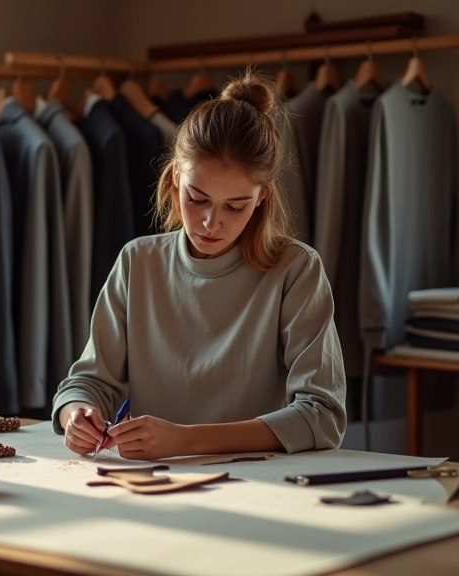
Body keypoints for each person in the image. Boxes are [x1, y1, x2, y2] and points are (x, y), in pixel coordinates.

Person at [52, 71, 347, 460]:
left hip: (262, 491)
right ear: (175, 177)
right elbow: (87, 382)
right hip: (149, 488)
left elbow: (322, 416)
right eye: (198, 198)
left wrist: (187, 441)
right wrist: (77, 414)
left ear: (263, 197)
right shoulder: (136, 262)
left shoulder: (297, 271)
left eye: (235, 207)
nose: (211, 223)